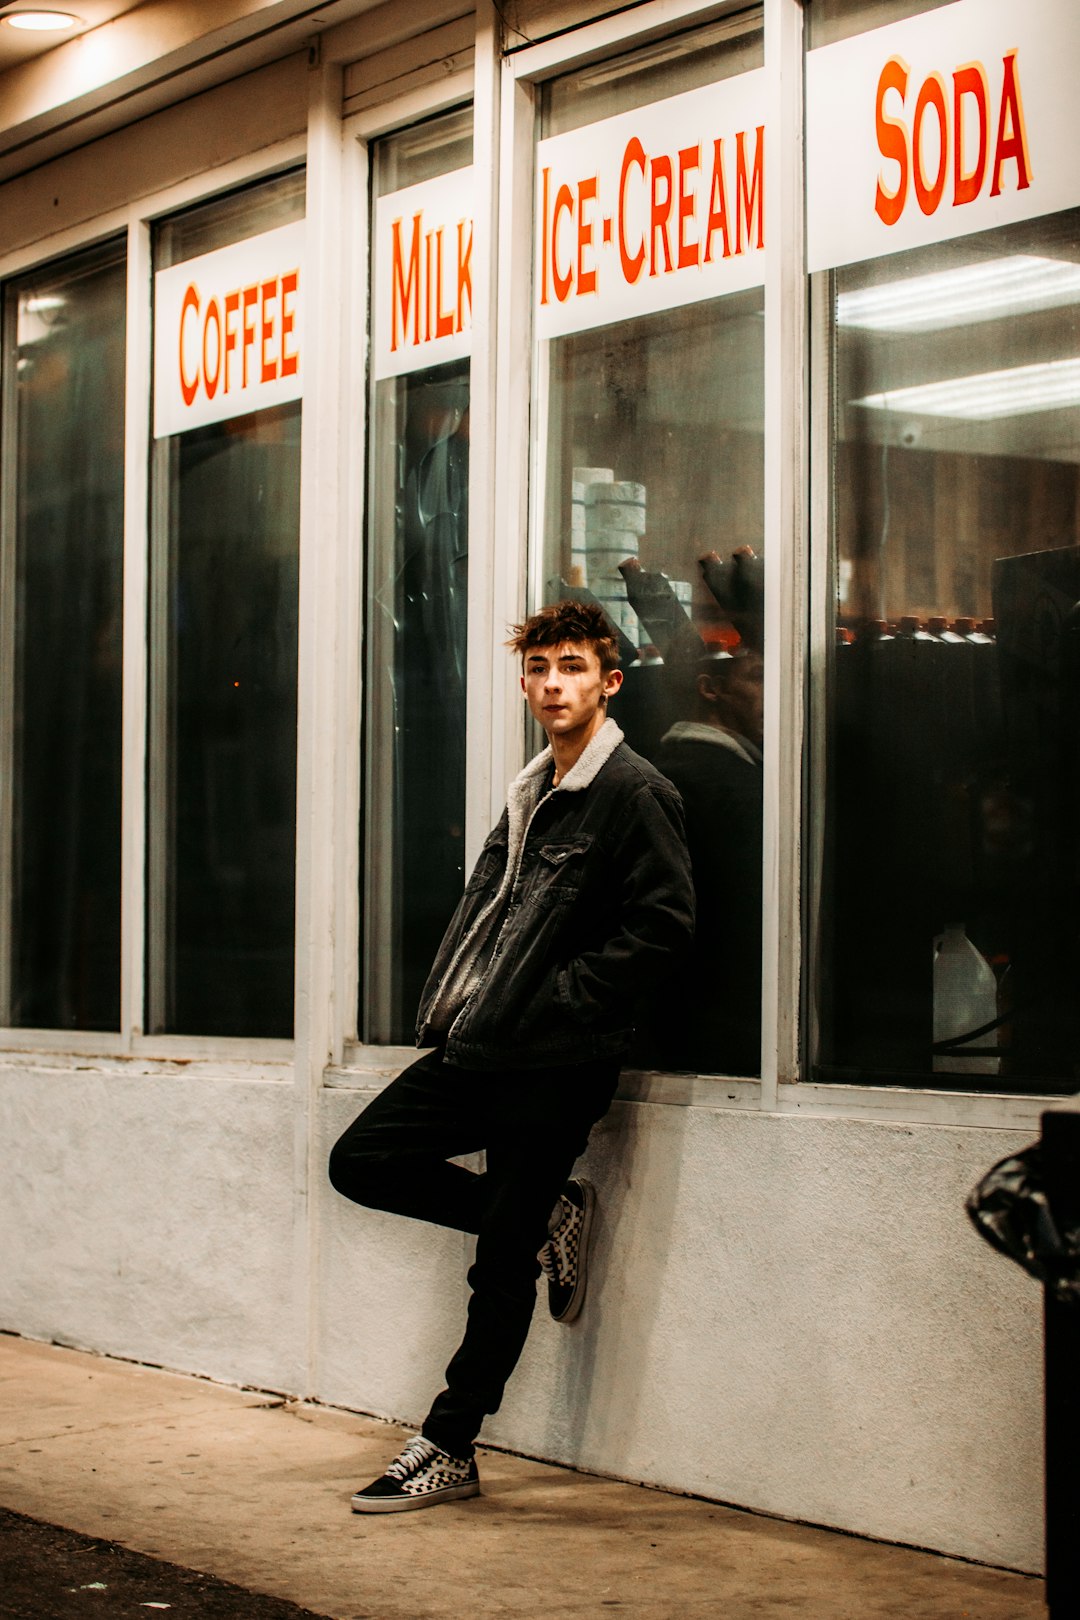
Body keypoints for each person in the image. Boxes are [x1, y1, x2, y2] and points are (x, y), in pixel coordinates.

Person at [329, 599, 694, 1513]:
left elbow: (662, 930)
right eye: (538, 669)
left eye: (572, 667)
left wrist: (559, 1005)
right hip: (481, 1044)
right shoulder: (532, 790)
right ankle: (542, 1213)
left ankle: (450, 1445)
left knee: (498, 1265)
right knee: (361, 1161)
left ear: (609, 682)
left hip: (558, 1060)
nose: (552, 684)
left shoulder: (634, 791)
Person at [650, 647, 764, 1077]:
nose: (771, 695)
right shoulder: (739, 787)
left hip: (673, 1020)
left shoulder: (658, 769)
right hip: (727, 1024)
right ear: (710, 689)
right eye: (757, 677)